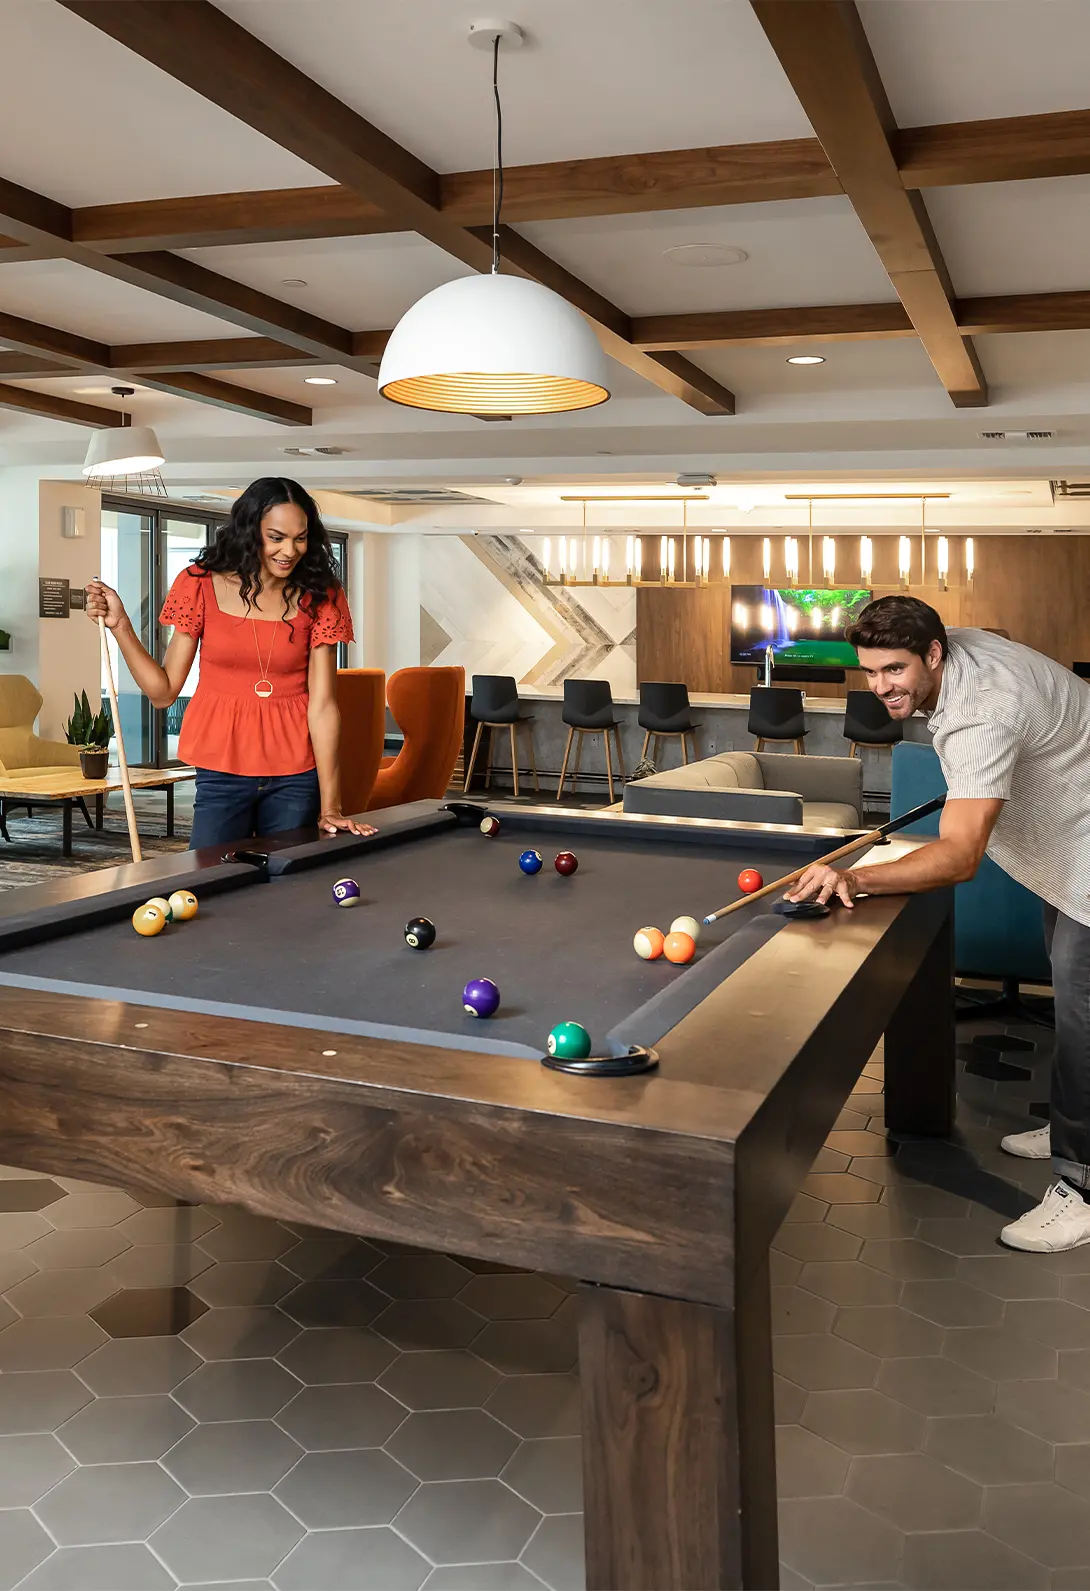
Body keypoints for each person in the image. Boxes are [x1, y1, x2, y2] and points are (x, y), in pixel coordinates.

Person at [787, 595, 1090, 1253]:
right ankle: (1076, 1130)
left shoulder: (981, 713)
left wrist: (855, 876)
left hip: (1088, 851)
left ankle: (1081, 1184)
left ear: (933, 653)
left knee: (1085, 1021)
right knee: (1074, 1003)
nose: (882, 687)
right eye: (870, 671)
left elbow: (958, 856)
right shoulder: (958, 646)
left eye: (894, 669)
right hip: (1071, 845)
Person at [87, 477, 373, 850]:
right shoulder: (198, 584)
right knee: (206, 881)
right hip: (220, 770)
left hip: (295, 774)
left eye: (300, 538)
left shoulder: (322, 594)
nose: (290, 550)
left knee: (287, 887)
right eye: (276, 537)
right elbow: (162, 692)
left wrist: (331, 805)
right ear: (249, 531)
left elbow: (323, 706)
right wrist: (121, 626)